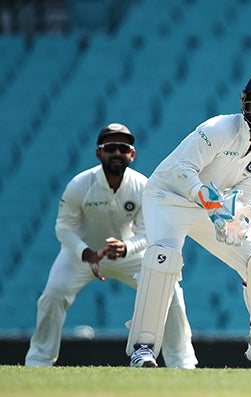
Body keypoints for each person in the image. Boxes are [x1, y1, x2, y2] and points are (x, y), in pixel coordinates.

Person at [125, 71, 251, 369]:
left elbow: (240, 200)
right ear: (245, 102)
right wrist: (206, 199)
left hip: (212, 207)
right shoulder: (218, 128)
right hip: (169, 197)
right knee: (163, 258)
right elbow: (183, 169)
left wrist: (234, 220)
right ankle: (143, 348)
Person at [25, 123, 198, 369]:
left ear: (132, 154)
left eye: (123, 148)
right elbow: (64, 228)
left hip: (129, 254)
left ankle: (182, 363)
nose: (117, 153)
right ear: (99, 153)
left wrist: (126, 248)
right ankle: (38, 361)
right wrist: (86, 253)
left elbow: (148, 232)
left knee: (171, 292)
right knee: (52, 296)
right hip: (82, 254)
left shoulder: (143, 186)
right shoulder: (80, 185)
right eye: (110, 148)